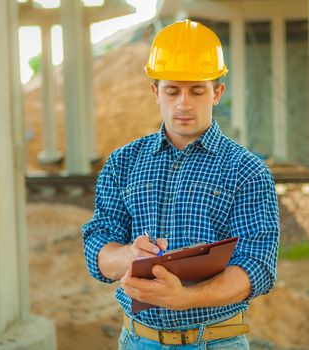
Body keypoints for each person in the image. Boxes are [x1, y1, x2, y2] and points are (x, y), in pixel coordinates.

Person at [82, 19, 279, 349]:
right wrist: (129, 255)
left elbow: (257, 266)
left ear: (217, 92)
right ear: (155, 91)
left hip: (215, 342)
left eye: (197, 90)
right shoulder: (123, 162)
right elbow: (97, 247)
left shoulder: (247, 171)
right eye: (172, 90)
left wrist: (187, 297)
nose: (184, 103)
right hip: (138, 340)